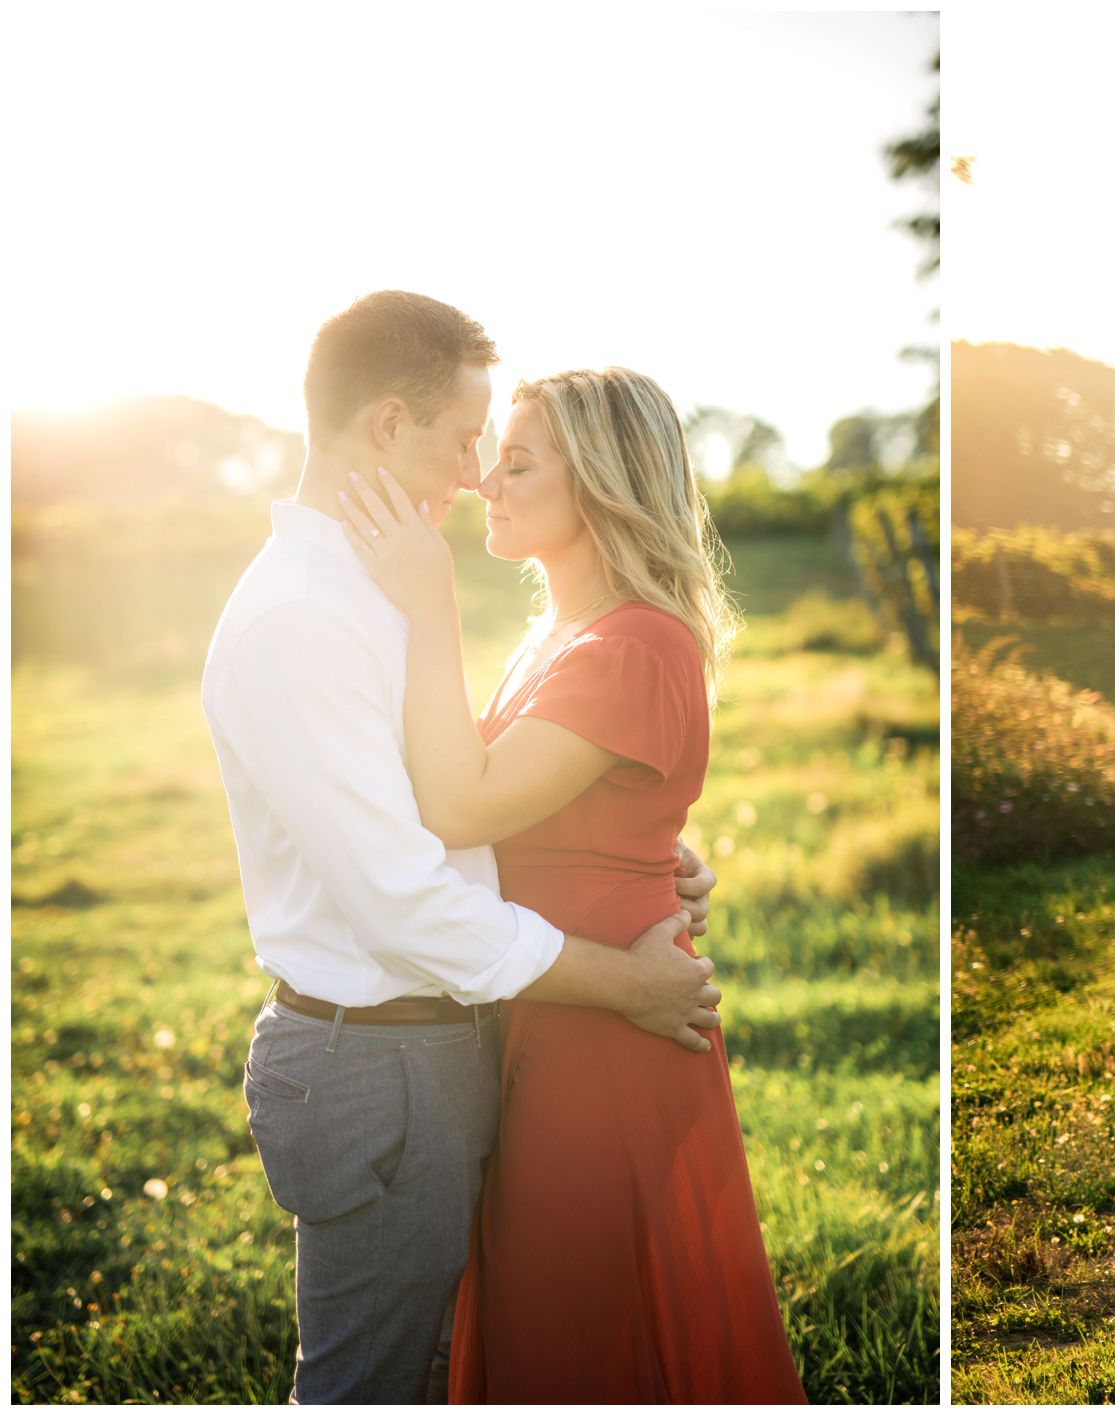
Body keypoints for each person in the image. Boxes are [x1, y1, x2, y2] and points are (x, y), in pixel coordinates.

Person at [203, 291, 724, 1404]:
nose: (473, 472)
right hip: (381, 1055)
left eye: (504, 454)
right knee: (371, 1385)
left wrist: (638, 858)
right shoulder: (309, 615)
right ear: (388, 426)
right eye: (460, 441)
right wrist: (623, 977)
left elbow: (496, 798)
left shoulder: (369, 593)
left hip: (445, 1044)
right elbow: (407, 892)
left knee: (468, 1363)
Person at [342, 364, 806, 1401]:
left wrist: (428, 603)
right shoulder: (557, 638)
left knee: (576, 1319)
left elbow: (462, 805)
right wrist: (660, 857)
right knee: (554, 1311)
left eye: (516, 464)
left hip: (605, 1031)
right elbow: (552, 814)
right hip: (555, 999)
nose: (482, 485)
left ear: (599, 482)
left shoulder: (632, 641)